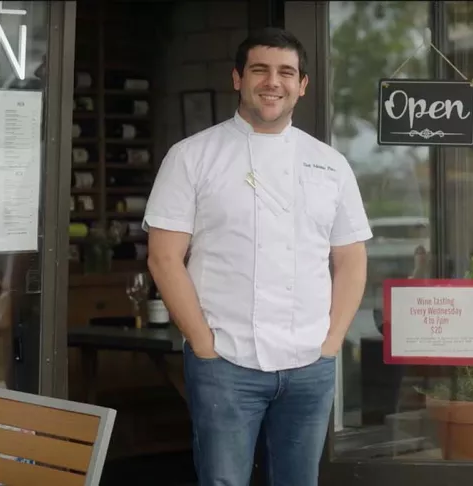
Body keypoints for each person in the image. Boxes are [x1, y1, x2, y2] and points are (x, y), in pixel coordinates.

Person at [144, 28, 371, 486]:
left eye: (286, 72)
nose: (273, 82)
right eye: (260, 70)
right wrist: (204, 344)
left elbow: (351, 259)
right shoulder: (191, 157)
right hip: (226, 362)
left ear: (302, 85)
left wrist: (330, 342)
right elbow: (164, 259)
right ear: (237, 78)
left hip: (310, 363)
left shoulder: (330, 164)